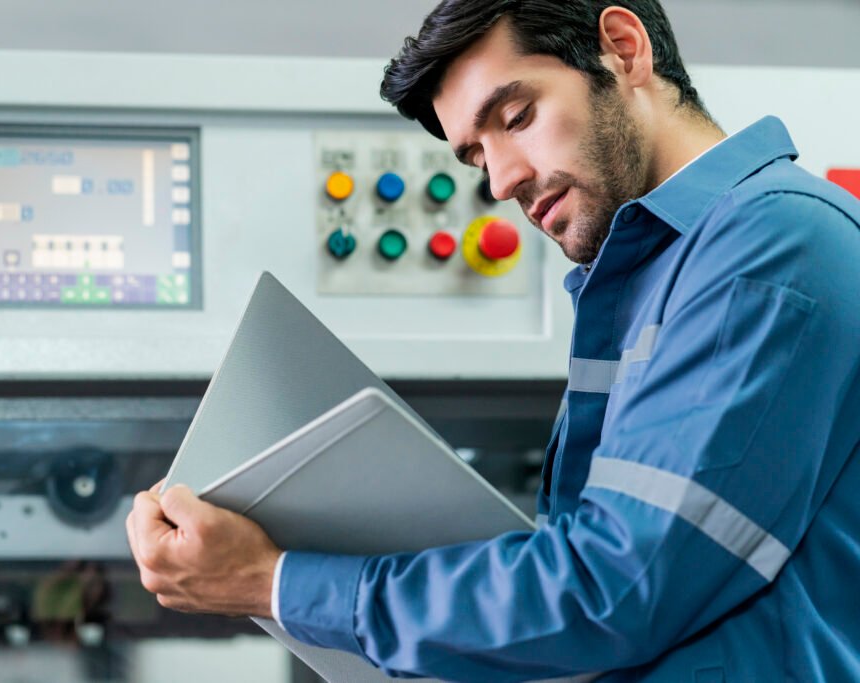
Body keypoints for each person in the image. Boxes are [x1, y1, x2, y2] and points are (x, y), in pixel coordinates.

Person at [127, 1, 860, 679]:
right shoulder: (661, 276)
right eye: (477, 157)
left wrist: (273, 581)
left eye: (516, 115)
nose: (503, 179)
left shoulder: (768, 249)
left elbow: (616, 588)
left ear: (623, 48)